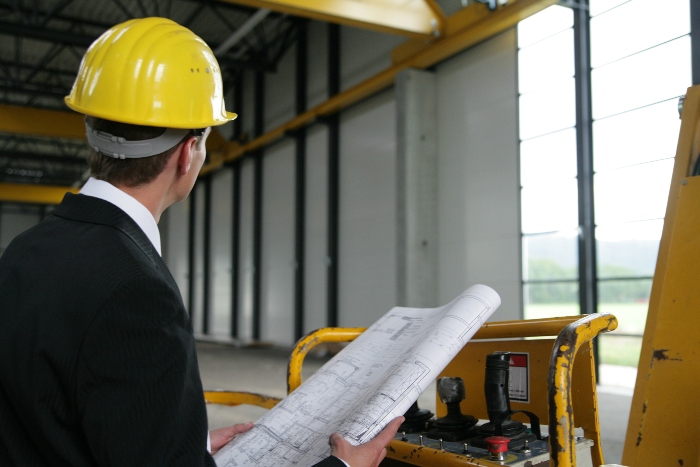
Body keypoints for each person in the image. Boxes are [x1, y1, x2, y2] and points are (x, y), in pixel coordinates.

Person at [0, 17, 402, 467]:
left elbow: (49, 421)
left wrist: (179, 444)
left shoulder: (24, 251)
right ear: (188, 152)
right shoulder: (136, 290)